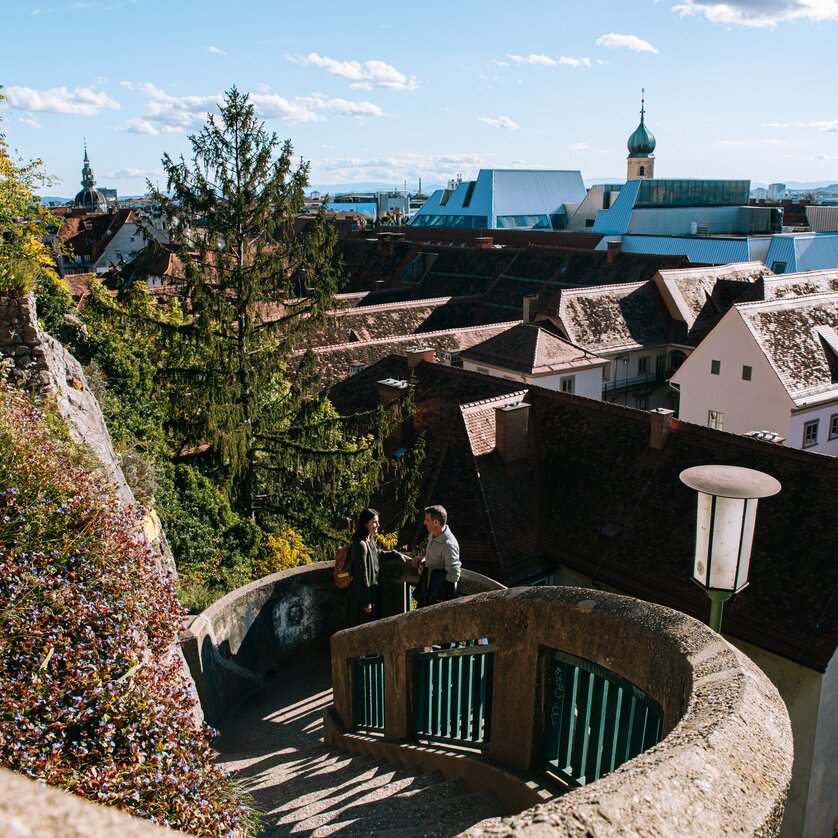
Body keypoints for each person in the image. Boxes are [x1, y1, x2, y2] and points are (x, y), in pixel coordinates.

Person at [348, 508, 410, 625]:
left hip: (369, 596)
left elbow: (377, 554)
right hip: (361, 601)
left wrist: (395, 554)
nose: (378, 525)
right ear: (366, 524)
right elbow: (362, 574)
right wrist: (366, 602)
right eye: (375, 522)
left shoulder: (368, 540)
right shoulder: (360, 545)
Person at [412, 505, 460, 607]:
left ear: (436, 523)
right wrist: (423, 558)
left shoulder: (448, 545)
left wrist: (433, 575)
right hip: (428, 594)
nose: (424, 522)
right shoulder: (434, 534)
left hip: (439, 599)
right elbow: (431, 552)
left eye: (427, 520)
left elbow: (454, 575)